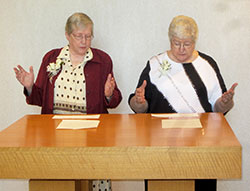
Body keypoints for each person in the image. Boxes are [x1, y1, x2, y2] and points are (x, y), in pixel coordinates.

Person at [14, 12, 122, 191]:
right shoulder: (51, 58)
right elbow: (40, 99)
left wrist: (108, 94)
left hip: (92, 136)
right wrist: (30, 86)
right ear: (67, 35)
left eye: (88, 36)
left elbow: (115, 100)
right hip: (55, 136)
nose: (84, 41)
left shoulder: (102, 60)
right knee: (59, 182)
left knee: (92, 181)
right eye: (79, 36)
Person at [128, 15, 237, 190]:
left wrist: (225, 102)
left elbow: (219, 109)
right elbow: (139, 107)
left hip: (202, 147)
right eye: (176, 43)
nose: (181, 49)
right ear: (170, 40)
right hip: (160, 147)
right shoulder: (155, 64)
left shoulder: (207, 64)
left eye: (187, 44)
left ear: (195, 41)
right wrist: (138, 101)